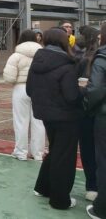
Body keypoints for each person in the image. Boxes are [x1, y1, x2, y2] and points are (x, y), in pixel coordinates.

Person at [26, 27, 82, 210]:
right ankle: (60, 199)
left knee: (56, 150)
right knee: (64, 156)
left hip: (46, 114)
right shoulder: (67, 64)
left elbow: (29, 89)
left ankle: (43, 187)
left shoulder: (37, 61)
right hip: (66, 116)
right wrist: (83, 91)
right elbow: (71, 96)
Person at [2, 29, 45, 161]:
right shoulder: (43, 54)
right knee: (39, 122)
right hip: (39, 89)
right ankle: (37, 153)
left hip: (21, 88)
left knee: (21, 121)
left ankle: (21, 152)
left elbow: (9, 77)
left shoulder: (16, 56)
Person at [84, 23, 106, 219]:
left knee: (103, 159)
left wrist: (88, 104)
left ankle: (102, 207)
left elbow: (96, 89)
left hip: (102, 115)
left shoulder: (102, 57)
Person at [77, 26, 100, 203]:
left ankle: (92, 186)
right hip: (93, 111)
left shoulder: (85, 59)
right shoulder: (84, 58)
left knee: (89, 149)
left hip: (87, 111)